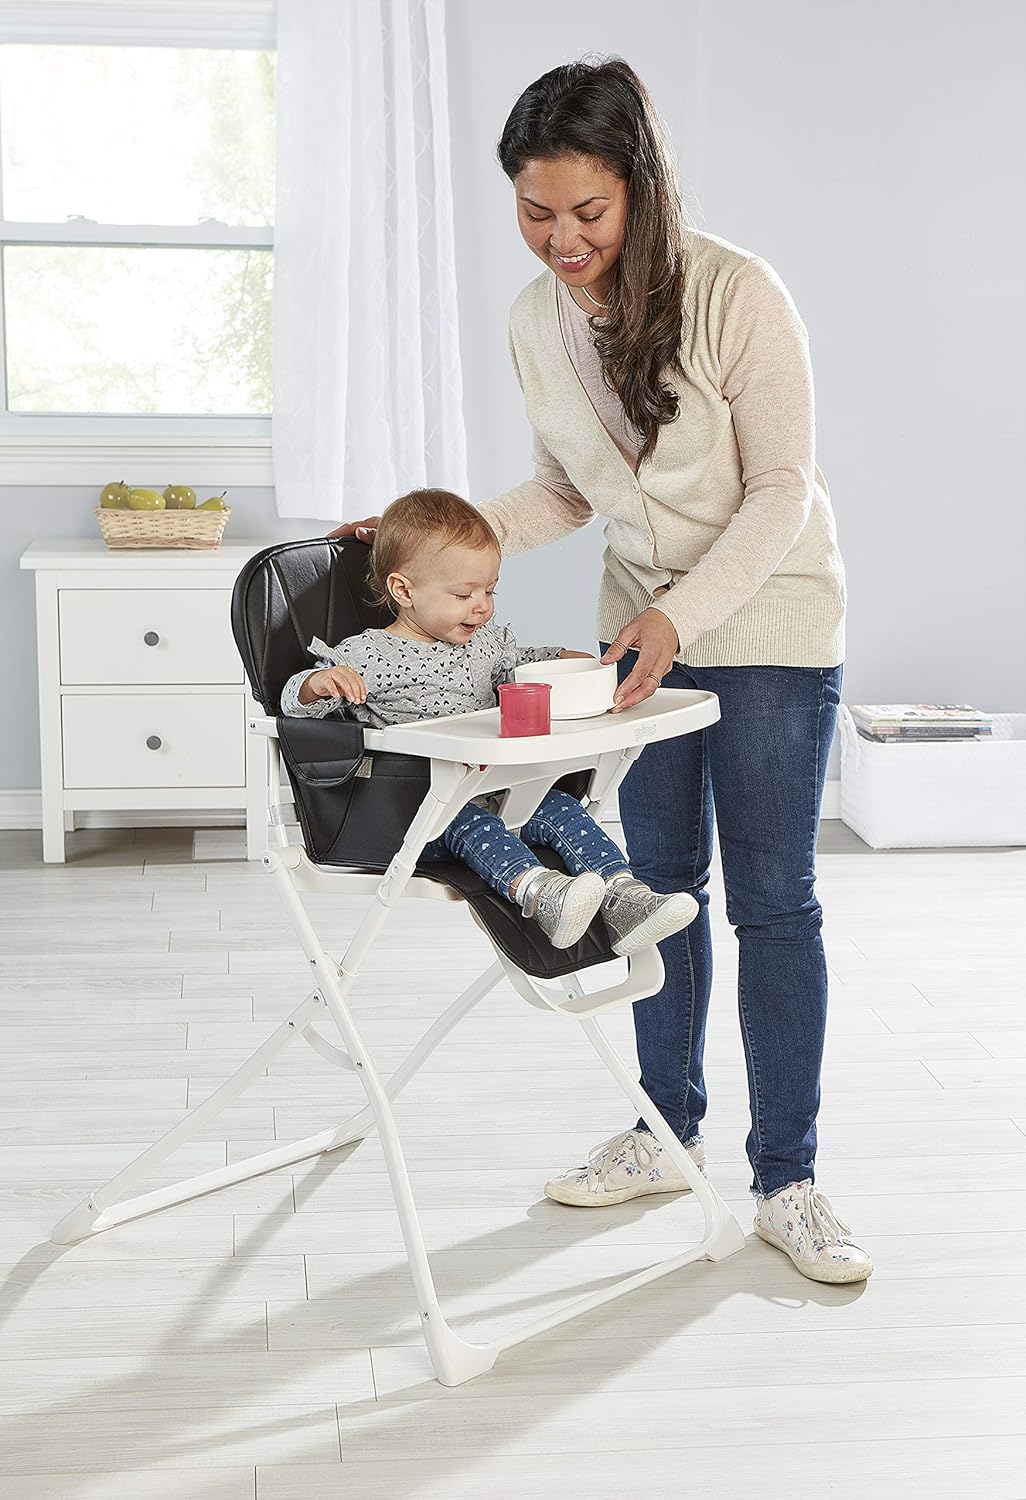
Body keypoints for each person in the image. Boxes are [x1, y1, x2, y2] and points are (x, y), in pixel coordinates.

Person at [331, 59, 872, 1284]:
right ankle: (663, 1130)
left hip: (771, 621)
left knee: (773, 900)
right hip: (643, 633)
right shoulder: (539, 321)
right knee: (657, 880)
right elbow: (569, 489)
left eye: (589, 211)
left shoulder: (738, 294)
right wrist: (436, 529)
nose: (561, 239)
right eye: (535, 210)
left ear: (642, 190)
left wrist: (684, 615)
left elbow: (783, 487)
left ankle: (788, 1177)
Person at [285, 488, 699, 956]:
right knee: (469, 821)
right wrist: (318, 683)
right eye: (464, 594)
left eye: (489, 590)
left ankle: (626, 898)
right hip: (422, 810)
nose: (483, 606)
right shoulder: (369, 654)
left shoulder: (485, 644)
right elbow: (293, 704)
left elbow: (517, 665)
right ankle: (542, 894)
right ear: (403, 590)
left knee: (561, 806)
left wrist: (557, 660)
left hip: (501, 791)